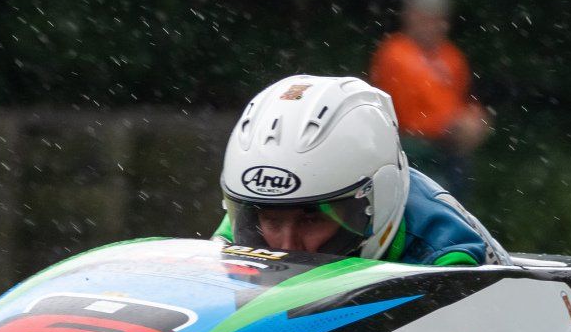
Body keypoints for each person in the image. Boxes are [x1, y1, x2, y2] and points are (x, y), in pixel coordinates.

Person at [216, 74, 507, 267]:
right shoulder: (244, 231)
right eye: (273, 220)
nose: (287, 247)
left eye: (311, 220)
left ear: (375, 204)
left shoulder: (444, 255)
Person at [368, 0, 489, 197]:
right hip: (412, 151)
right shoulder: (395, 54)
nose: (430, 25)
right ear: (409, 17)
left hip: (447, 152)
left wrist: (474, 119)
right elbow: (403, 116)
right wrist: (450, 126)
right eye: (424, 17)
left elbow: (462, 100)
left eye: (437, 18)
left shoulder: (451, 57)